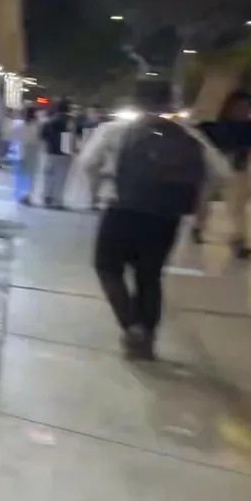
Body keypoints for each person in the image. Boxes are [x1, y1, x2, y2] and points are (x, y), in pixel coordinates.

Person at [79, 79, 230, 360]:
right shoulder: (188, 135)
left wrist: (96, 193)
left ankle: (131, 325)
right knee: (149, 275)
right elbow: (222, 173)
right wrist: (197, 200)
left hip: (121, 210)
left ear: (135, 100)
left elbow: (88, 164)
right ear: (169, 102)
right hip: (165, 216)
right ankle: (147, 335)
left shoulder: (114, 130)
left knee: (107, 267)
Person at [193, 90, 251, 258]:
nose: (243, 110)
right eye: (239, 106)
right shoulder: (211, 125)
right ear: (229, 107)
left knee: (237, 208)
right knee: (202, 202)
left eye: (246, 107)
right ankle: (198, 227)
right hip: (212, 170)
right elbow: (195, 139)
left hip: (237, 172)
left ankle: (239, 240)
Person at [40, 100, 75, 208]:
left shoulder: (49, 121)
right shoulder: (69, 121)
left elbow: (43, 136)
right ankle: (57, 200)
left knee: (49, 175)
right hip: (64, 151)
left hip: (50, 151)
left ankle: (47, 197)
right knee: (61, 177)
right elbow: (70, 135)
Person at [15, 106, 42, 205]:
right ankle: (28, 195)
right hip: (32, 151)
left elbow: (17, 137)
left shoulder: (23, 125)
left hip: (25, 151)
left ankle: (25, 195)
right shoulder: (37, 125)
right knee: (31, 176)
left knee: (25, 176)